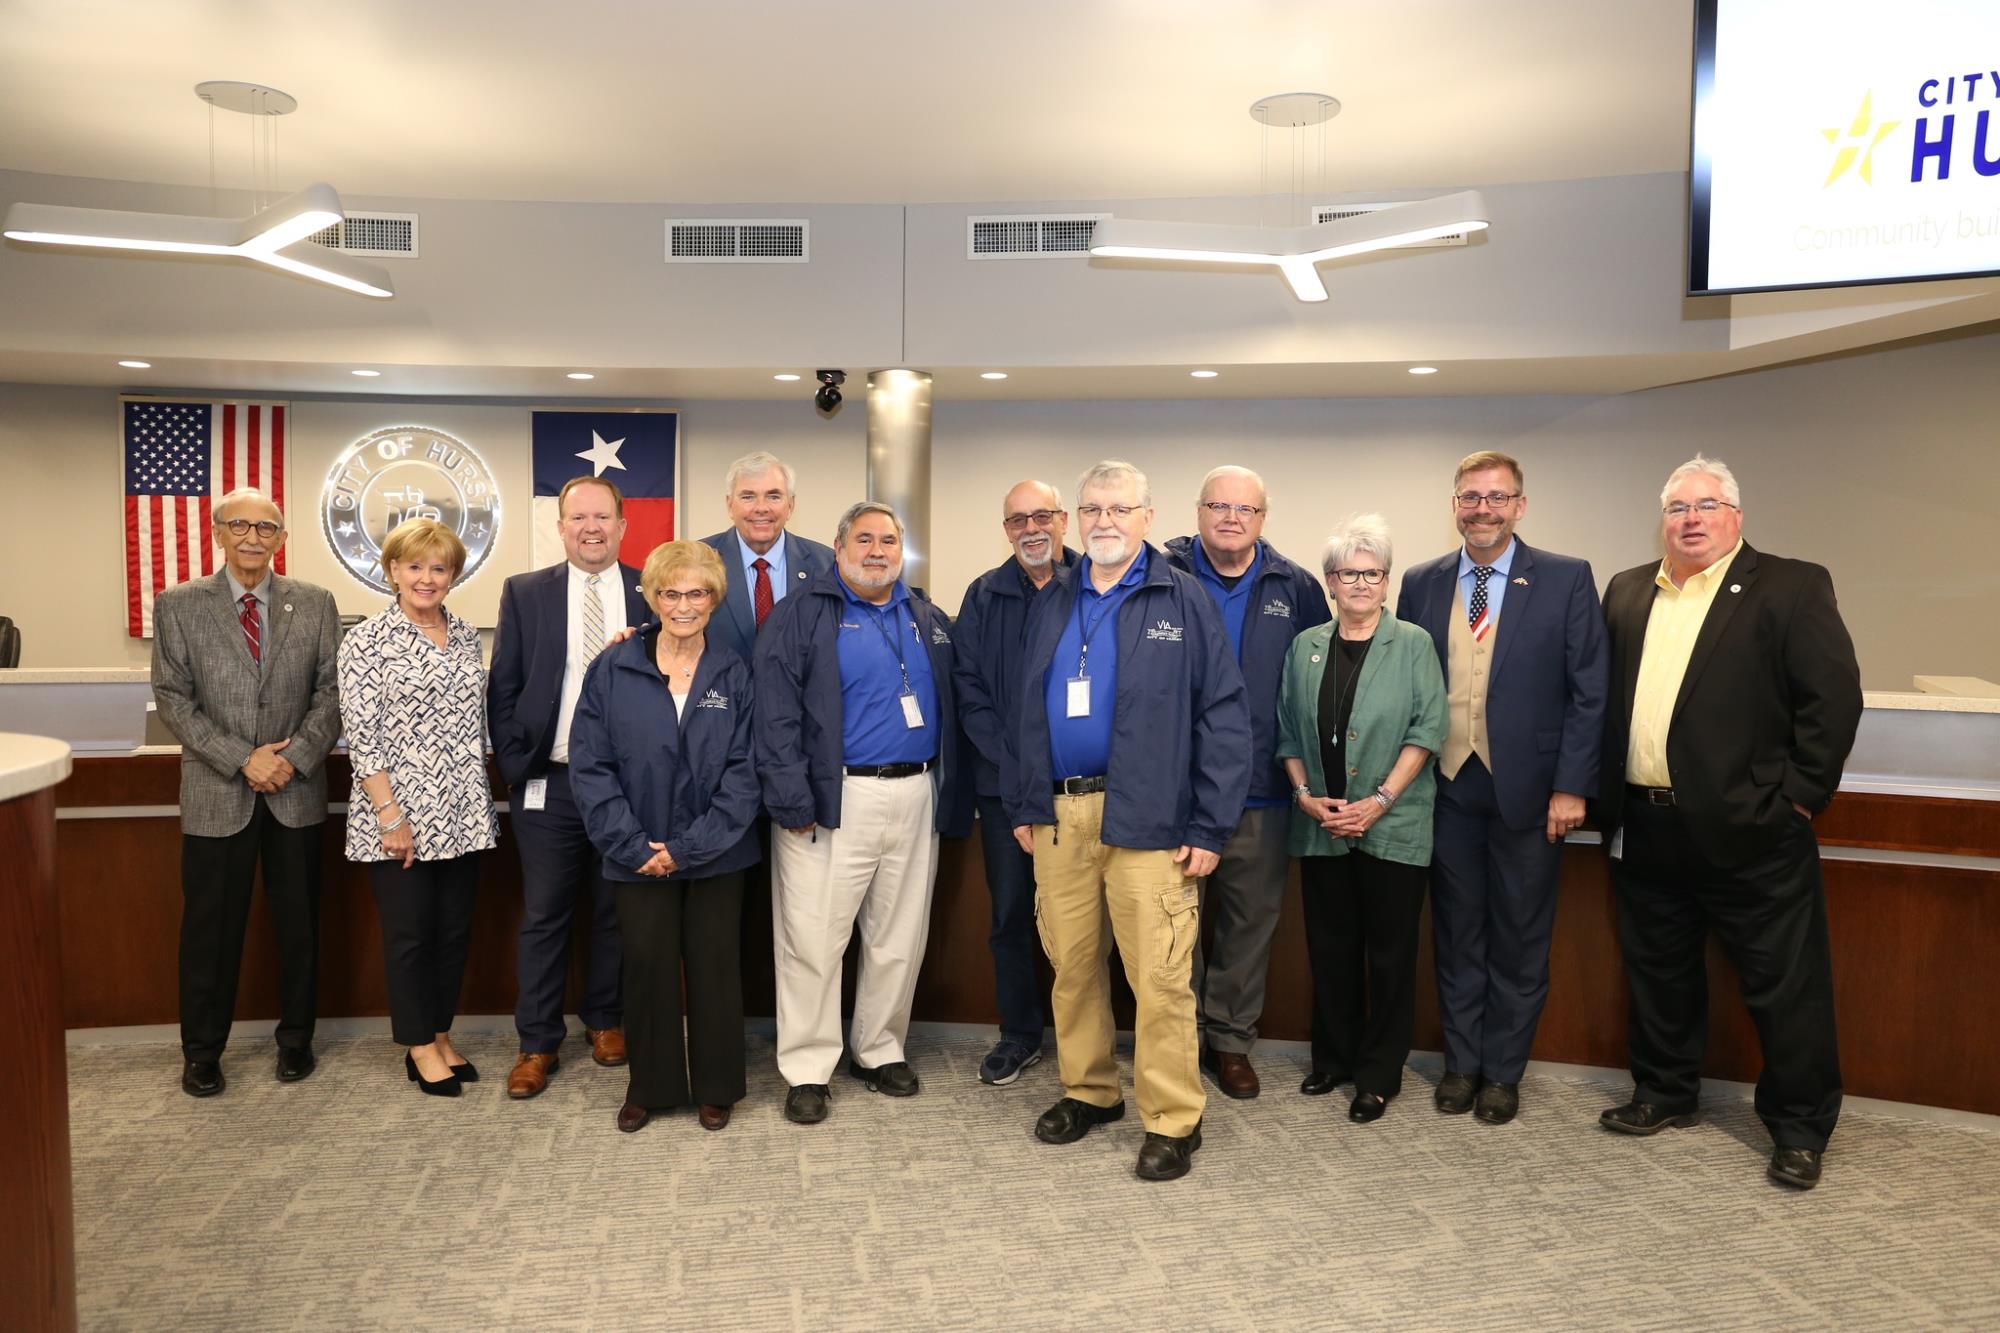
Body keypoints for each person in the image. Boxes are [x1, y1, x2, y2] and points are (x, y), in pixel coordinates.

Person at [1594, 455, 1861, 1190]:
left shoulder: (1790, 584)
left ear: (1736, 516)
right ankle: (1664, 1090)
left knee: (1785, 987)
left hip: (1754, 830)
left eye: (1707, 504)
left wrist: (1798, 797)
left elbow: (1832, 700)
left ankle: (1800, 1127)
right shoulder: (1626, 590)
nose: (1691, 518)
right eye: (1678, 506)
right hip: (1646, 825)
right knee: (1658, 973)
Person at [1006, 459, 1249, 1182]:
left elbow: (1225, 717)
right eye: (1091, 509)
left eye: (1119, 508)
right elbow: (1025, 708)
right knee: (1072, 966)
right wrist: (1025, 801)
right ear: (1076, 519)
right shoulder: (1053, 597)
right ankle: (1089, 1090)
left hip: (1151, 815)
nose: (1103, 521)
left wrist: (1209, 827)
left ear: (1147, 516)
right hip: (1058, 813)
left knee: (1160, 976)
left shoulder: (1183, 595)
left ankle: (1174, 1117)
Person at [1395, 451, 1608, 1124]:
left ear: (1519, 504)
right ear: (1454, 504)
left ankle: (1503, 1072)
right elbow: (1405, 682)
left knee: (1519, 936)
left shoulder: (1566, 578)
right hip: (1448, 788)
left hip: (1531, 793)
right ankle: (1461, 1065)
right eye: (1469, 496)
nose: (1481, 508)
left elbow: (1589, 690)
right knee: (1457, 934)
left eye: (1496, 496)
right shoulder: (1421, 582)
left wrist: (1572, 785)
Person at [754, 501, 968, 1125]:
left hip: (915, 794)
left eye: (890, 540)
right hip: (831, 801)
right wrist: (792, 799)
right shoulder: (802, 615)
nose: (878, 551)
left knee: (898, 938)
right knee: (813, 940)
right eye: (865, 539)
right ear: (840, 545)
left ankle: (878, 1050)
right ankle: (808, 1067)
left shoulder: (925, 614)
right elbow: (775, 715)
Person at [150, 488, 342, 1097]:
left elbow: (333, 692)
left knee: (300, 928)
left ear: (282, 538)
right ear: (218, 532)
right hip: (217, 794)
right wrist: (243, 760)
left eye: (267, 527)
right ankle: (202, 1052)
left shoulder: (313, 603)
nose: (254, 536)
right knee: (210, 931)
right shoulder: (179, 605)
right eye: (241, 525)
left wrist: (296, 758)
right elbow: (173, 698)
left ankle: (297, 1041)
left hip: (296, 791)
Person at [570, 540, 761, 1134]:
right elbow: (590, 763)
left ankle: (717, 1085)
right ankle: (650, 1087)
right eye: (671, 593)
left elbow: (745, 771)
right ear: (651, 597)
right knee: (647, 966)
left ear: (714, 599)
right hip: (636, 853)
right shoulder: (614, 666)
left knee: (714, 966)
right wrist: (633, 847)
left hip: (716, 853)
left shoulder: (733, 670)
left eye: (697, 593)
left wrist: (688, 848)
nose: (683, 604)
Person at [1164, 464, 1329, 1100]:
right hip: (1177, 791)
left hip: (1262, 790)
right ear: (1198, 512)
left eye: (1245, 509)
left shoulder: (1298, 586)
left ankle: (1230, 1043)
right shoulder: (1163, 577)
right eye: (1218, 506)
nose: (1231, 518)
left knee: (1247, 925)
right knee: (1175, 926)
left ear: (1263, 518)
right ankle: (1180, 1041)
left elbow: (1317, 680)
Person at [1275, 514, 1446, 1124]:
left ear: (1387, 581)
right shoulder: (1305, 646)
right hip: (1321, 826)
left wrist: (1379, 801)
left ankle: (1378, 1075)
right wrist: (1304, 796)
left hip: (1392, 827)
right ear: (1329, 581)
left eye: (1373, 573)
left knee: (1391, 957)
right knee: (1330, 948)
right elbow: (1288, 733)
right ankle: (1334, 1059)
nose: (1362, 583)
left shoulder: (1415, 644)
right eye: (1350, 573)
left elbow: (1428, 730)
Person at [488, 476, 651, 1099]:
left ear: (622, 526)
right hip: (547, 784)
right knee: (545, 916)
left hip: (626, 786)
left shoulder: (649, 591)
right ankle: (537, 1042)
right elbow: (503, 684)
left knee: (615, 911)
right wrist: (515, 762)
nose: (591, 528)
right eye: (578, 517)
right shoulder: (525, 592)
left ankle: (606, 1021)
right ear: (560, 527)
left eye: (603, 518)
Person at [339, 518, 499, 1097]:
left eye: (438, 568)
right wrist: (390, 816)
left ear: (453, 575)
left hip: (461, 811)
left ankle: (440, 1030)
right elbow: (364, 735)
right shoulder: (367, 641)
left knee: (452, 933)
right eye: (414, 567)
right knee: (410, 935)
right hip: (398, 815)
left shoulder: (461, 632)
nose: (426, 578)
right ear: (392, 571)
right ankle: (416, 1045)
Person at [951, 479, 1077, 1086]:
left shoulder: (1094, 586)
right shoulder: (984, 595)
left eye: (1043, 516)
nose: (1032, 528)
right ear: (1006, 530)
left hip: (1083, 787)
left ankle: (1086, 1036)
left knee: (1087, 916)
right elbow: (969, 692)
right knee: (1010, 915)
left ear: (1064, 522)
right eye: (1019, 519)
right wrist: (1017, 773)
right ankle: (1021, 1033)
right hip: (1004, 791)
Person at [700, 451, 836, 662]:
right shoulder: (698, 561)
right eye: (748, 497)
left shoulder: (827, 565)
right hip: (722, 693)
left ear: (790, 506)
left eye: (773, 496)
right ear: (729, 505)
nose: (761, 508)